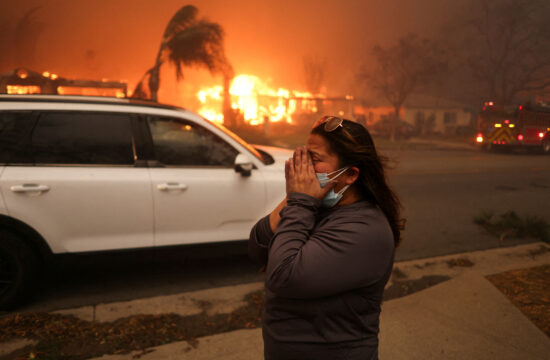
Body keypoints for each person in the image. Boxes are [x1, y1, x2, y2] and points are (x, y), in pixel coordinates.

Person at [248, 115, 404, 360]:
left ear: (350, 175)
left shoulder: (365, 230)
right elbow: (258, 246)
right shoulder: (314, 205)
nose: (306, 169)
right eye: (305, 157)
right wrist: (294, 197)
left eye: (315, 160)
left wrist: (300, 201)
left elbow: (282, 276)